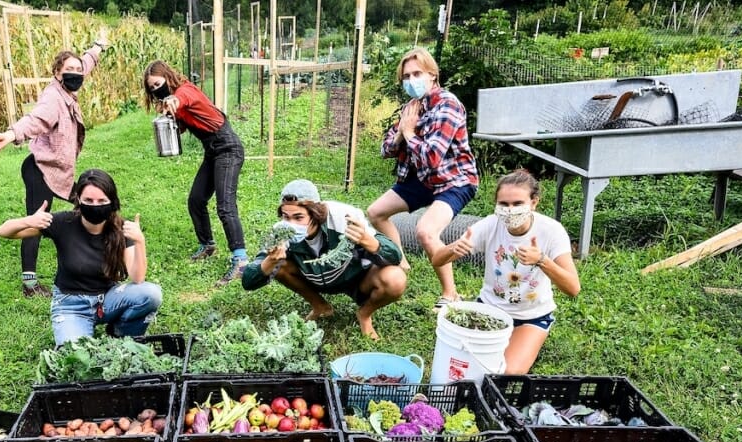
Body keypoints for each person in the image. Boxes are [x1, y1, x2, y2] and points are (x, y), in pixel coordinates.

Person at [0, 30, 109, 298]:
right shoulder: (53, 98)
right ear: (57, 73)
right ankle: (29, 284)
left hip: (58, 171)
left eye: (78, 69)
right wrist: (10, 134)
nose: (76, 73)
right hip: (40, 170)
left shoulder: (71, 84)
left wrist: (98, 46)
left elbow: (86, 62)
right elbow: (36, 119)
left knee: (84, 203)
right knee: (36, 222)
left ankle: (91, 250)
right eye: (69, 69)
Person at [431, 169, 581, 373]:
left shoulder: (551, 231)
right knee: (467, 368)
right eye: (504, 204)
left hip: (532, 316)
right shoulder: (490, 225)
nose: (510, 210)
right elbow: (437, 259)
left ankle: (529, 340)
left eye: (518, 204)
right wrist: (452, 248)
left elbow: (573, 288)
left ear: (534, 202)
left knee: (506, 373)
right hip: (489, 310)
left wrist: (542, 260)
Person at [366, 46, 479, 311]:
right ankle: (400, 260)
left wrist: (408, 132)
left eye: (417, 73)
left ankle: (450, 294)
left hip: (454, 180)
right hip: (422, 179)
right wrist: (401, 133)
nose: (411, 80)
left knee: (426, 231)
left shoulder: (448, 105)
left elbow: (432, 157)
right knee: (376, 212)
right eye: (406, 76)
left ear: (432, 75)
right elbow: (386, 149)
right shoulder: (412, 107)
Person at [0, 168, 162, 347]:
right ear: (78, 201)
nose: (95, 205)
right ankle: (77, 330)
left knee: (151, 294)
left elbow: (138, 278)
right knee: (75, 357)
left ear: (111, 202)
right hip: (71, 306)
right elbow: (4, 231)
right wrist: (28, 221)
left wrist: (139, 242)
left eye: (101, 201)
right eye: (88, 200)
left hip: (107, 300)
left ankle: (120, 335)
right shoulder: (63, 222)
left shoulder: (120, 228)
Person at [242, 179, 407, 340]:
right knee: (279, 265)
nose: (291, 224)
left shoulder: (343, 217)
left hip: (355, 277)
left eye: (299, 218)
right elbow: (248, 281)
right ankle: (320, 306)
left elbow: (394, 256)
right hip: (313, 278)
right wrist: (269, 261)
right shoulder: (280, 233)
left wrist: (367, 240)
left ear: (315, 213)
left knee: (395, 279)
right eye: (286, 217)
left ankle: (364, 314)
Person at [142, 60, 247, 286]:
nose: (155, 90)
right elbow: (184, 124)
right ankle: (207, 244)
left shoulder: (185, 90)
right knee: (196, 200)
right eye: (151, 88)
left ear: (168, 78)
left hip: (227, 148)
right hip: (212, 151)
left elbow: (183, 98)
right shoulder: (175, 103)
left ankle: (240, 261)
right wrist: (170, 116)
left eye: (158, 84)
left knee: (225, 206)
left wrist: (172, 101)